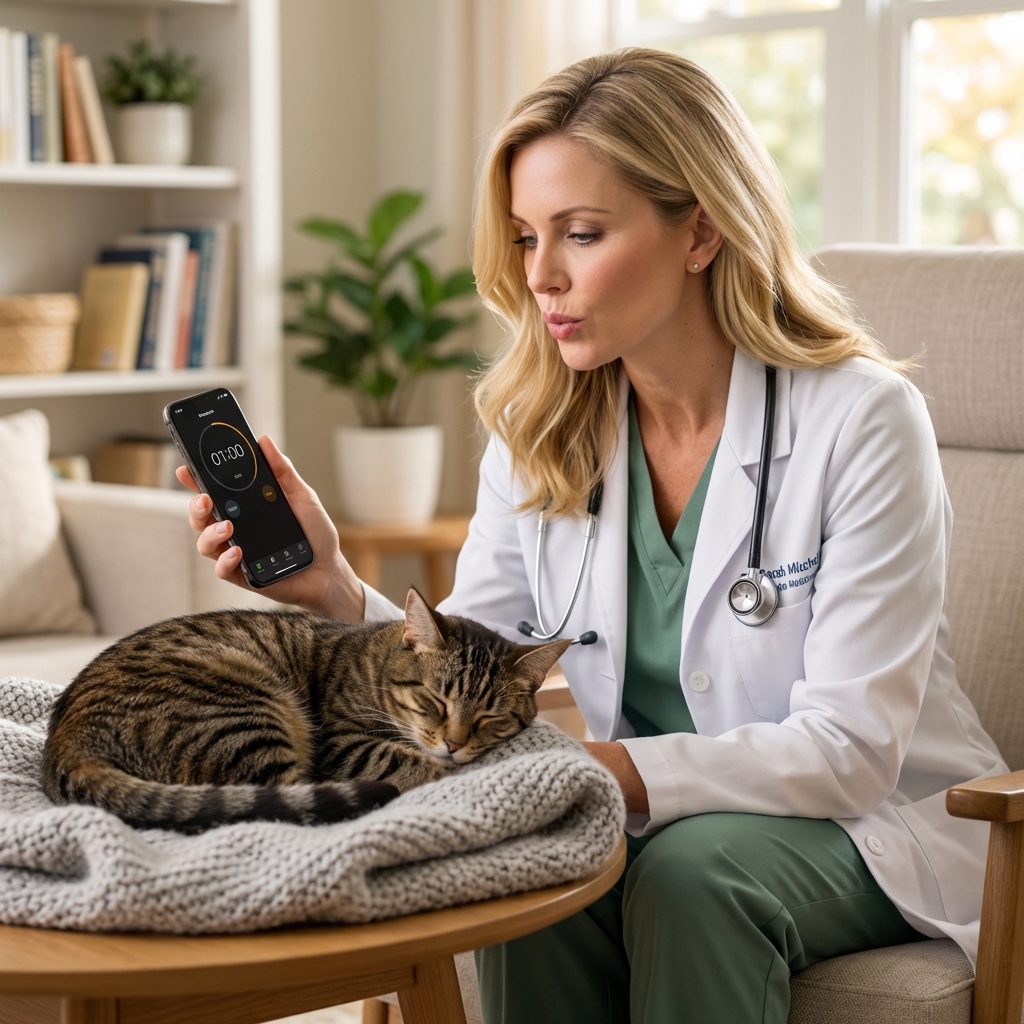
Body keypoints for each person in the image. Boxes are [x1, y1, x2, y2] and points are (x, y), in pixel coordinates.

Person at [178, 48, 1005, 1024]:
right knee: (529, 871)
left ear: (699, 228)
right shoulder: (537, 426)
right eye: (527, 237)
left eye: (580, 232)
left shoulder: (861, 420)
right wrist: (329, 586)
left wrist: (606, 770)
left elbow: (852, 749)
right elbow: (470, 652)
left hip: (870, 821)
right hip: (652, 813)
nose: (541, 276)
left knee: (693, 875)